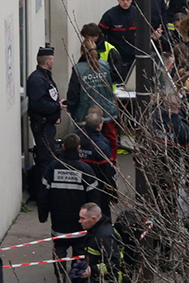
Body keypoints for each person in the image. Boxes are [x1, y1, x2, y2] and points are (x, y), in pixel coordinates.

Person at [38, 134, 100, 281]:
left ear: (64, 147)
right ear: (79, 148)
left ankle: (60, 276)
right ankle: (77, 277)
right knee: (79, 252)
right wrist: (95, 220)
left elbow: (43, 194)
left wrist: (43, 215)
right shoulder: (85, 169)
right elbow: (94, 198)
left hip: (59, 221)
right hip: (80, 223)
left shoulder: (53, 167)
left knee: (59, 250)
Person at [66, 39, 119, 161]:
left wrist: (71, 108)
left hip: (85, 113)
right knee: (110, 141)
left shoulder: (78, 69)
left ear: (81, 52)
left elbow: (74, 93)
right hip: (107, 111)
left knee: (85, 143)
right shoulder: (105, 65)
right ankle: (110, 165)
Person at [27, 45, 66, 173]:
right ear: (48, 61)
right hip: (42, 126)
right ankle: (42, 190)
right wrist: (57, 106)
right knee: (46, 160)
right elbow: (39, 104)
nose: (53, 63)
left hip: (48, 124)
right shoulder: (38, 80)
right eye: (53, 60)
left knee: (49, 157)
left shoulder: (45, 77)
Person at [78, 108, 117, 217]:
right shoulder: (102, 146)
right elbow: (108, 172)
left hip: (77, 187)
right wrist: (113, 193)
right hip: (98, 189)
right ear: (100, 125)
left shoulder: (76, 138)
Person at [99, 0, 139, 80]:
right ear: (118, 0)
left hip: (133, 57)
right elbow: (100, 35)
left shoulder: (137, 14)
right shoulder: (110, 15)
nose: (125, 2)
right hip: (116, 57)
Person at [78, 203, 122, 283]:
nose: (80, 221)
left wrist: (93, 270)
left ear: (93, 218)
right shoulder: (94, 230)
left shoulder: (105, 236)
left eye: (83, 218)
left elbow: (114, 263)